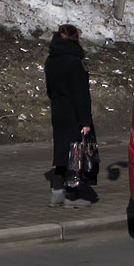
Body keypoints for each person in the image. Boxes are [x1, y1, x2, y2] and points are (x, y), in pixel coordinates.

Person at [44, 24, 93, 208]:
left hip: (58, 109)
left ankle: (56, 192)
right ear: (74, 39)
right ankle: (71, 196)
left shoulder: (51, 60)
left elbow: (50, 89)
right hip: (73, 112)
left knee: (61, 150)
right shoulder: (75, 62)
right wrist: (85, 120)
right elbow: (80, 95)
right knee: (75, 152)